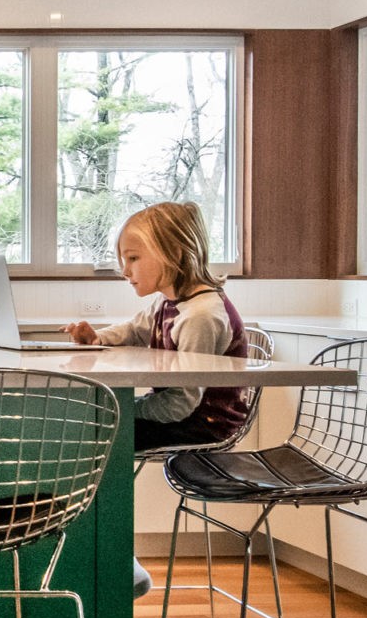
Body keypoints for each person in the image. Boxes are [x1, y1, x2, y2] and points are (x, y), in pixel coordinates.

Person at [61, 201, 249, 598]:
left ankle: (117, 558)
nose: (124, 270)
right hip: (184, 412)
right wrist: (96, 339)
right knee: (94, 430)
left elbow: (183, 403)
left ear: (175, 254)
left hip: (205, 422)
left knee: (100, 436)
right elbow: (134, 329)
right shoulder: (171, 303)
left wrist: (124, 410)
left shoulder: (201, 316)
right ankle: (102, 550)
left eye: (132, 258)